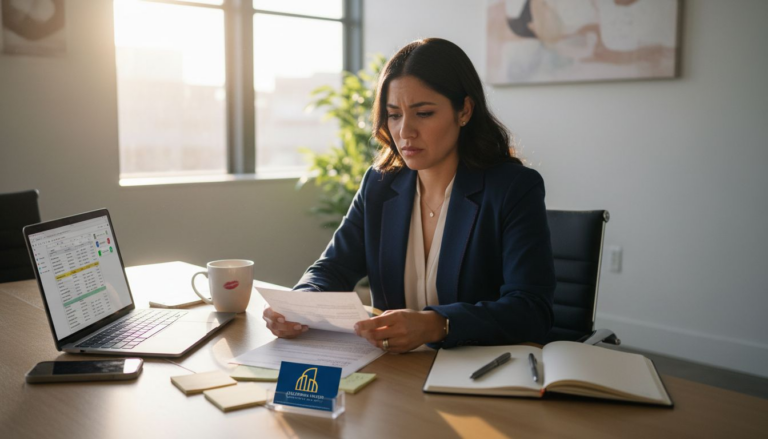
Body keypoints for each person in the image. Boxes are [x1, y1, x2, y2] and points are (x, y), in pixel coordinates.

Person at [263, 38, 556, 353]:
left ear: (465, 111)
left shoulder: (513, 188)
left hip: (477, 374)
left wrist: (438, 324)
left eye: (424, 113)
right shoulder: (380, 184)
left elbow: (531, 310)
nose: (404, 132)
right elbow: (332, 268)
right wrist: (300, 302)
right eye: (394, 115)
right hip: (396, 372)